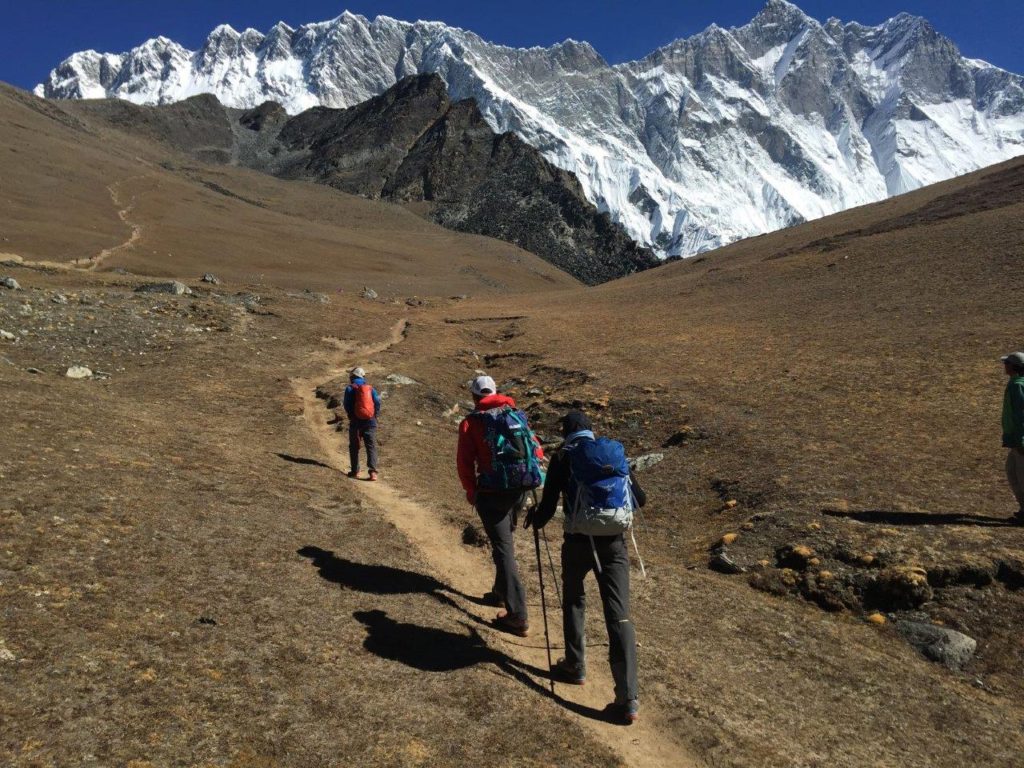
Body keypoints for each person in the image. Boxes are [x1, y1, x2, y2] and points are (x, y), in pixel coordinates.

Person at [526, 410, 645, 724]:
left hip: (578, 542)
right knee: (619, 616)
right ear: (591, 431)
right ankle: (628, 698)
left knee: (574, 600)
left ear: (566, 433)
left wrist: (535, 518)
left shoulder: (565, 457)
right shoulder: (613, 452)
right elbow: (640, 499)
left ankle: (575, 665)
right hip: (615, 544)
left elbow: (549, 506)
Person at [457, 375, 544, 636]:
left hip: (492, 492)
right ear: (496, 392)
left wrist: (471, 491)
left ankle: (518, 615)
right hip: (519, 488)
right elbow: (535, 449)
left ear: (475, 397)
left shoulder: (471, 422)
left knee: (504, 548)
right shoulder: (516, 413)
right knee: (503, 542)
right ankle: (499, 592)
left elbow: (464, 462)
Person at [344, 366, 381, 481]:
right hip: (370, 421)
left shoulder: (350, 388)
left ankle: (355, 471)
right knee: (371, 446)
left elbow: (346, 404)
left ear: (352, 376)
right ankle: (373, 472)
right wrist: (375, 415)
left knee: (354, 446)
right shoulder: (370, 389)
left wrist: (351, 415)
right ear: (363, 377)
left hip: (355, 422)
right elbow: (377, 402)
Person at [1002, 352, 1024, 523]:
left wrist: (1020, 441)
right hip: (1016, 440)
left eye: (1007, 363)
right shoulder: (1015, 384)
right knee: (1012, 472)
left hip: (1020, 441)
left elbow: (1021, 415)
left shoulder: (1017, 387)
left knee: (1021, 477)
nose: (1005, 365)